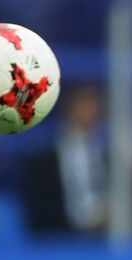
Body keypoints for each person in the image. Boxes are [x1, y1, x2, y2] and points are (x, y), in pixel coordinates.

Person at [22, 83, 108, 236]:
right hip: (61, 241)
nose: (88, 112)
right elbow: (37, 213)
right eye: (82, 105)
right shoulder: (44, 159)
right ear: (69, 109)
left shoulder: (110, 154)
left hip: (103, 239)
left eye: (92, 107)